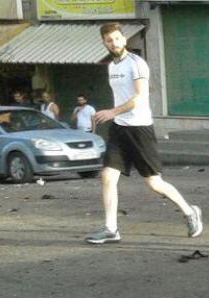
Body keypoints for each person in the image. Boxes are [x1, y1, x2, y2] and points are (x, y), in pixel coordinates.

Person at [86, 23, 202, 245]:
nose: (114, 43)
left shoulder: (136, 64)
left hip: (140, 129)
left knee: (154, 182)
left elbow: (140, 97)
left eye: (117, 38)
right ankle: (111, 229)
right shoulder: (111, 66)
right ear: (104, 42)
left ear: (124, 39)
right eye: (109, 40)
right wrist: (114, 115)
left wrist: (112, 111)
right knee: (108, 177)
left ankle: (190, 212)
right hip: (119, 128)